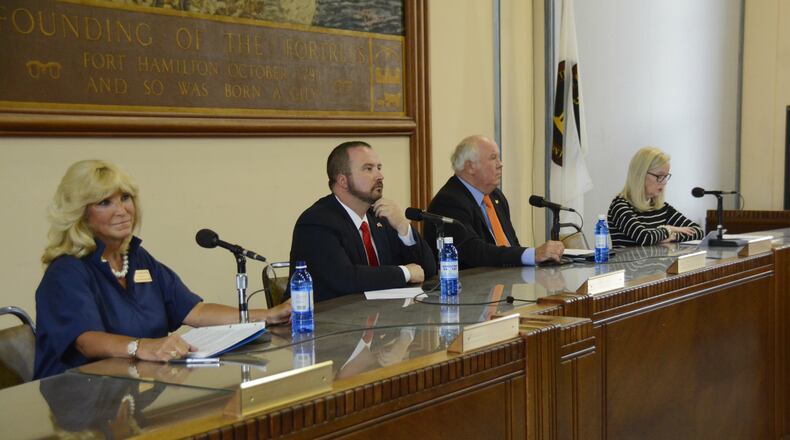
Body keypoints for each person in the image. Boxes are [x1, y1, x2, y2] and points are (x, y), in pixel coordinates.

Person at [34, 160, 291, 379]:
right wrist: (142, 347)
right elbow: (85, 340)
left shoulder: (137, 258)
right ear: (79, 214)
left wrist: (268, 315)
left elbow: (196, 311)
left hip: (135, 389)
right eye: (105, 202)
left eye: (125, 198)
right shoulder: (66, 271)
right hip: (77, 404)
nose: (122, 210)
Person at [288, 141, 436, 302]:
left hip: (380, 318)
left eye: (379, 168)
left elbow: (428, 269)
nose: (380, 176)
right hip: (326, 322)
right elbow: (345, 279)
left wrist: (403, 227)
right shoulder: (317, 222)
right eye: (368, 169)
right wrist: (405, 273)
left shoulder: (381, 216)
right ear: (343, 181)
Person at [425, 135, 564, 269]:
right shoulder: (449, 202)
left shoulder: (496, 196)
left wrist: (535, 258)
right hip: (472, 287)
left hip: (505, 281)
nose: (500, 164)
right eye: (493, 158)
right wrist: (531, 254)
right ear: (470, 167)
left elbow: (511, 244)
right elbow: (474, 252)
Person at [607, 147, 704, 247]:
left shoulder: (661, 207)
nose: (665, 182)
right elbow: (645, 237)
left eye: (666, 177)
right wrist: (669, 229)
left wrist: (673, 236)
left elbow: (698, 232)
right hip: (627, 263)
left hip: (660, 262)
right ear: (640, 175)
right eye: (659, 176)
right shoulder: (620, 206)